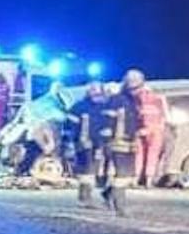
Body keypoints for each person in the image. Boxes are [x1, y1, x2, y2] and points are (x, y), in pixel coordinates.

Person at [98, 74, 142, 215]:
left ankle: (108, 193)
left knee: (128, 175)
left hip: (128, 140)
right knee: (122, 175)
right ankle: (120, 208)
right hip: (118, 142)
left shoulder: (130, 100)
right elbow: (109, 121)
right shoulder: (116, 101)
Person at [68, 81, 110, 205]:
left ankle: (107, 196)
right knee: (86, 170)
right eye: (92, 89)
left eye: (97, 90)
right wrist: (73, 141)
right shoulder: (79, 107)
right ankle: (84, 197)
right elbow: (70, 125)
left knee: (99, 170)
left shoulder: (105, 106)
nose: (95, 92)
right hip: (83, 143)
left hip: (102, 143)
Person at [132, 76, 168, 187]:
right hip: (154, 130)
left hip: (148, 130)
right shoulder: (159, 99)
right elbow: (165, 116)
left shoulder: (138, 100)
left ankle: (139, 178)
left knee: (141, 155)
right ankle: (147, 179)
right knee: (149, 155)